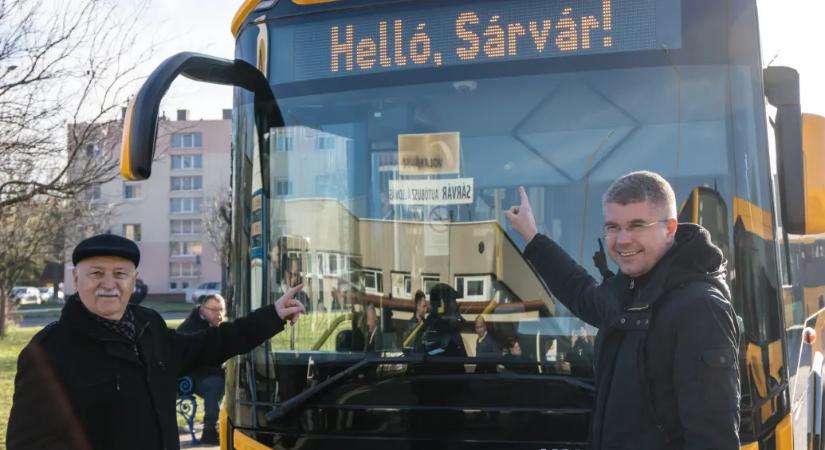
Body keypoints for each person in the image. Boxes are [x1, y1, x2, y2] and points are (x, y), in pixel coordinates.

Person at [505, 171, 740, 449]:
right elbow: (582, 293)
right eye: (612, 227)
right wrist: (532, 237)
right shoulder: (631, 288)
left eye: (637, 225)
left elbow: (712, 440)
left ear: (670, 228)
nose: (621, 240)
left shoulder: (700, 307)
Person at [6, 234, 305, 450]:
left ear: (134, 280)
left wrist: (273, 316)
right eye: (96, 273)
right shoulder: (48, 352)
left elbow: (214, 344)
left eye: (120, 274)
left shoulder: (149, 328)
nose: (109, 283)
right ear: (76, 280)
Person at [176, 293, 228, 444]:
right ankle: (209, 431)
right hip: (185, 377)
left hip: (204, 373)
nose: (219, 314)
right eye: (214, 310)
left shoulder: (216, 326)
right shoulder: (192, 328)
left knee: (224, 380)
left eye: (221, 310)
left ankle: (226, 424)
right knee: (215, 384)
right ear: (203, 309)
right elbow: (195, 362)